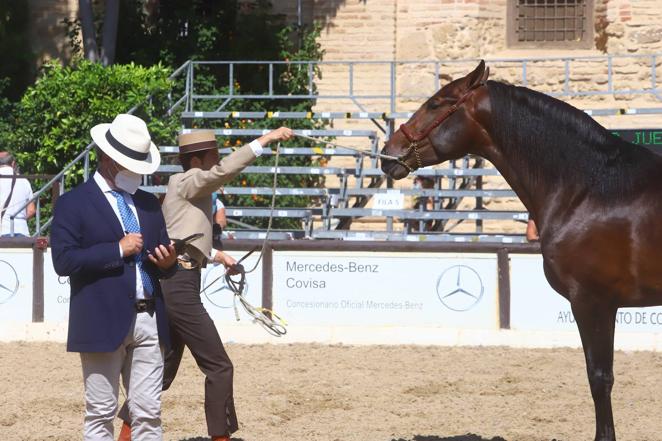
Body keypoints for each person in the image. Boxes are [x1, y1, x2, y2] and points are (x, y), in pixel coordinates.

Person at [117, 126, 293, 441]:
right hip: (180, 287)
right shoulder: (187, 180)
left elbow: (181, 234)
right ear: (200, 158)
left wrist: (215, 255)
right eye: (214, 155)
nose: (218, 160)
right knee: (219, 367)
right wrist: (264, 140)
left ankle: (126, 436)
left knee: (163, 371)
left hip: (175, 282)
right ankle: (220, 438)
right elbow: (223, 172)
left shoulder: (186, 187)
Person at [50, 114, 177, 441]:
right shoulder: (72, 203)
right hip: (100, 318)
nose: (136, 172)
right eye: (130, 164)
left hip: (149, 317)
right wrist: (117, 250)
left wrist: (168, 262)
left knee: (149, 413)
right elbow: (63, 261)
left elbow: (161, 256)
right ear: (108, 158)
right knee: (101, 411)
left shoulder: (148, 203)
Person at [0, 152, 36, 237]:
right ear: (13, 163)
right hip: (22, 232)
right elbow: (31, 210)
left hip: (2, 232)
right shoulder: (24, 180)